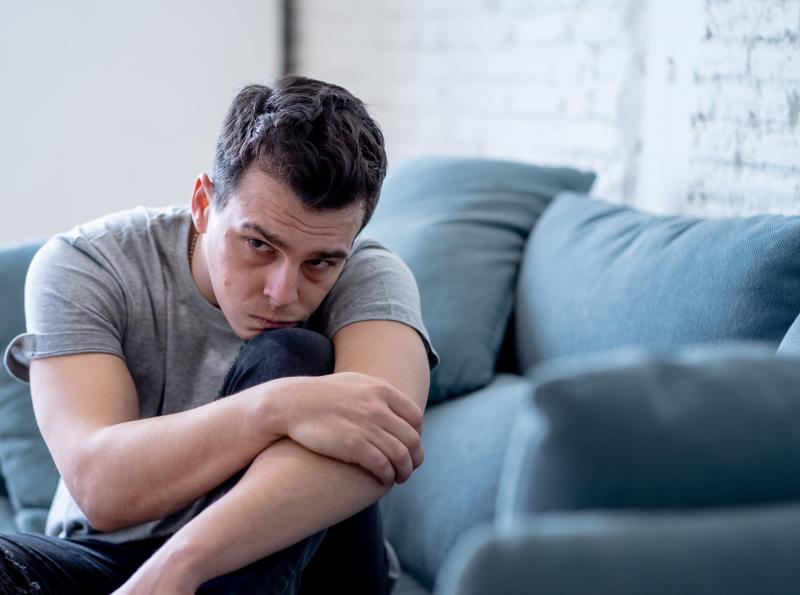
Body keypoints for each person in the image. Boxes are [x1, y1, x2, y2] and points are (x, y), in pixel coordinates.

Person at [1, 75, 437, 594]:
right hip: (107, 558)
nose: (282, 292)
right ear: (204, 204)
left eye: (319, 261)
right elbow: (102, 487)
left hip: (315, 567)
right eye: (258, 244)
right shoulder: (86, 262)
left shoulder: (370, 276)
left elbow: (383, 438)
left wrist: (180, 565)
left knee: (294, 352)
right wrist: (278, 407)